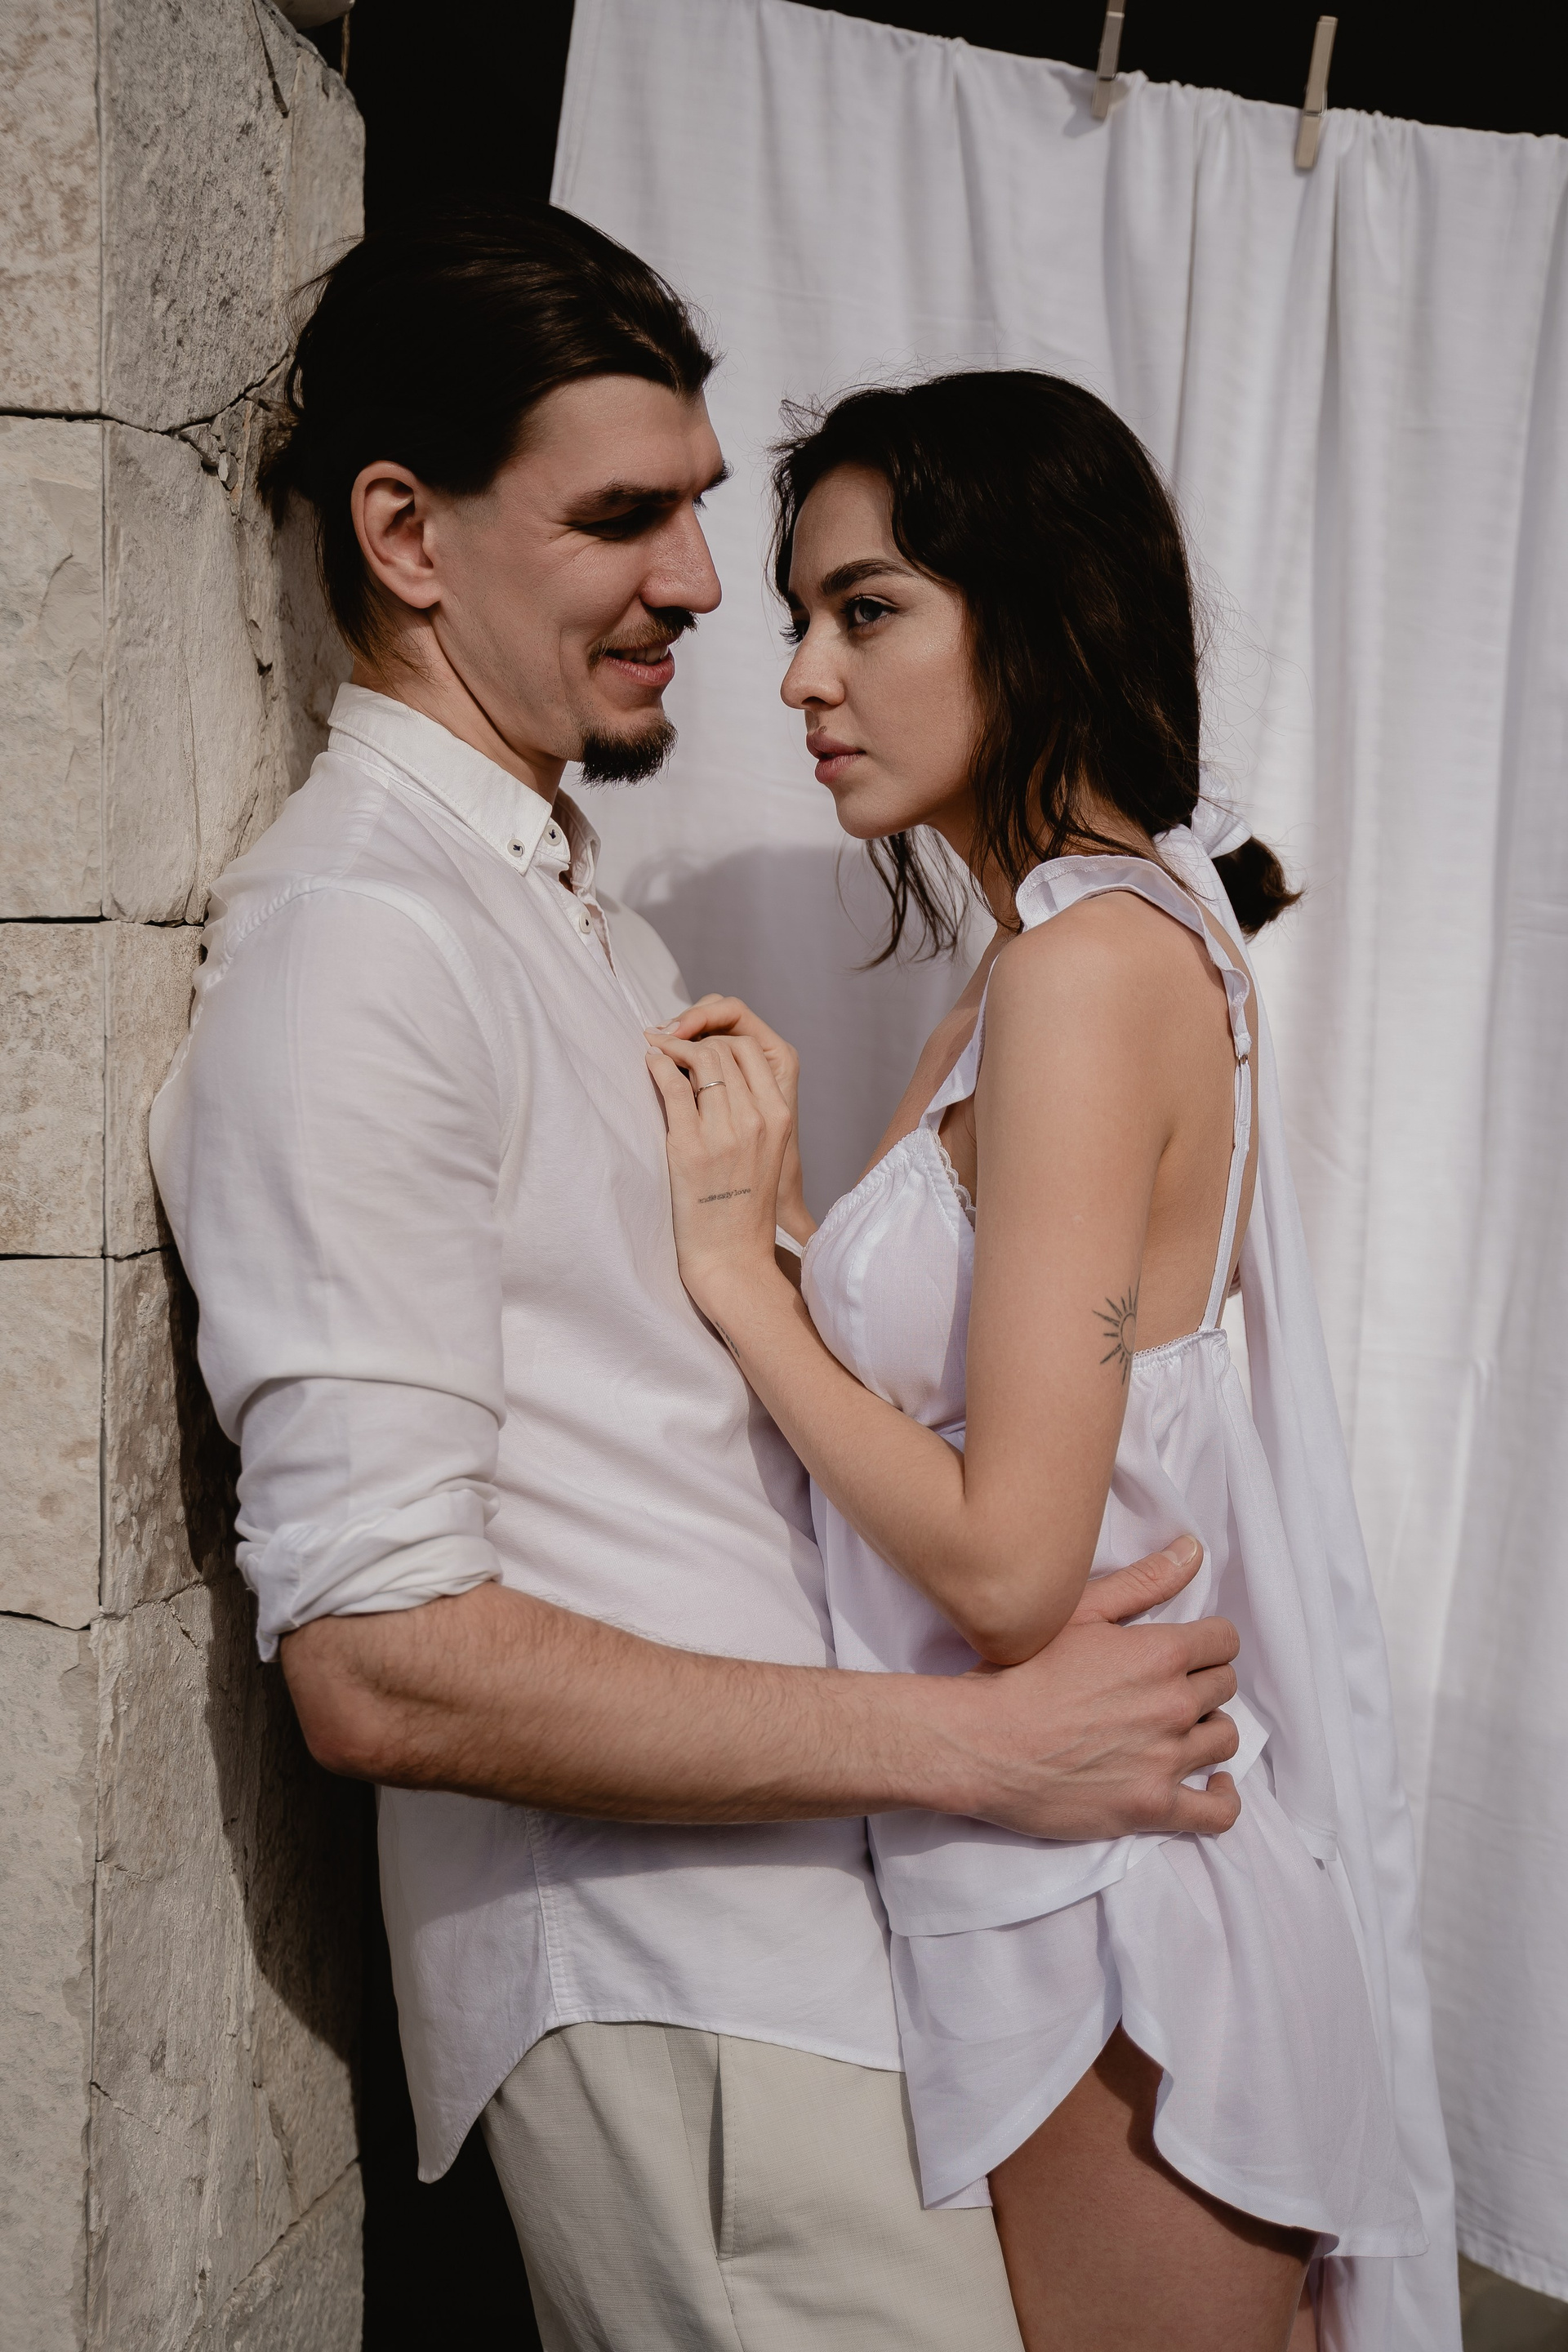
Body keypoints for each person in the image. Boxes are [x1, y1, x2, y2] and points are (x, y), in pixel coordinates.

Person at [148, 211, 1248, 2351]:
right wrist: (982, 1748)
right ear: (407, 534)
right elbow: (383, 1663)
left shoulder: (584, 924)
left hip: (824, 1946)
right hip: (672, 1988)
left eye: (697, 508)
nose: (701, 585)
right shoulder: (356, 948)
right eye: (619, 519)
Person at [646, 372, 1461, 2352]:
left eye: (869, 610)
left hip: (1117, 1922)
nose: (803, 678)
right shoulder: (1061, 955)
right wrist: (794, 1233)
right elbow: (1010, 1392)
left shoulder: (1085, 974)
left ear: (1036, 612)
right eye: (802, 619)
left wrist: (740, 1287)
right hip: (1055, 1859)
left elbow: (1013, 1567)